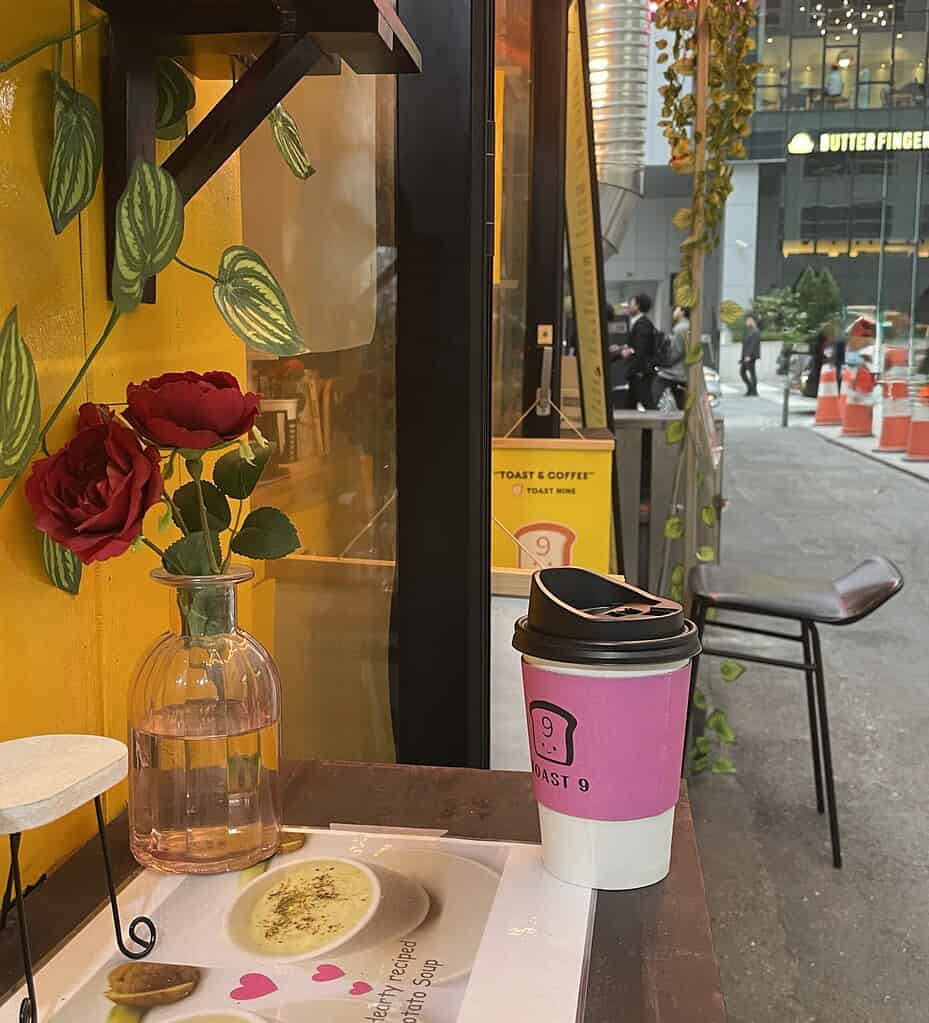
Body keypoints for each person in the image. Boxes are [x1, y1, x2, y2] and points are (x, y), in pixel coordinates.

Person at [616, 293, 657, 409]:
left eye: (631, 303)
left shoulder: (642, 324)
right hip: (638, 371)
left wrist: (636, 370)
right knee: (631, 402)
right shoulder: (641, 323)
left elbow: (641, 350)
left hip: (640, 371)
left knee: (646, 402)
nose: (629, 306)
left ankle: (655, 421)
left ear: (637, 306)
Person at [654, 305, 689, 410]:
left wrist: (664, 363)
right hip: (683, 371)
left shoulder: (680, 328)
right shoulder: (689, 326)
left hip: (672, 372)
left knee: (655, 395)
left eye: (676, 309)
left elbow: (676, 351)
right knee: (681, 402)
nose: (674, 312)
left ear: (682, 311)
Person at [740, 314, 762, 396]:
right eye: (746, 320)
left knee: (751, 372)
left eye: (748, 320)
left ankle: (753, 391)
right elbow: (745, 343)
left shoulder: (755, 331)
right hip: (746, 355)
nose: (746, 322)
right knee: (743, 372)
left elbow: (753, 345)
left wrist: (748, 356)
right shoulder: (748, 331)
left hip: (751, 356)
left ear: (752, 321)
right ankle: (751, 389)